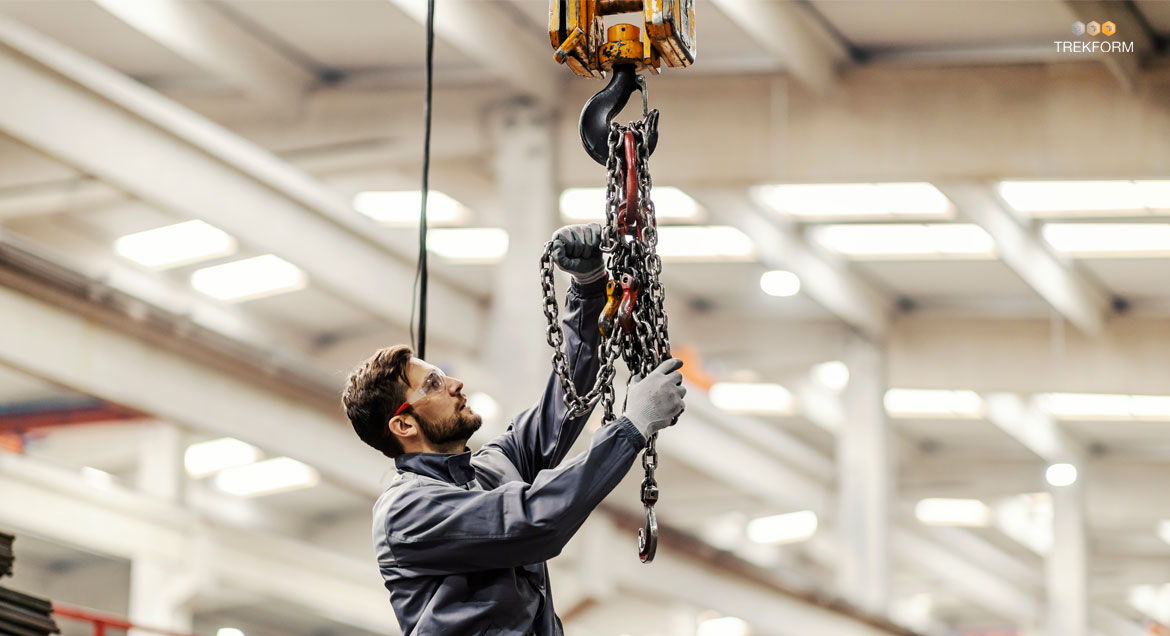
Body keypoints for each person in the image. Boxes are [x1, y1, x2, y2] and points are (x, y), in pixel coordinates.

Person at [342, 223, 687, 636]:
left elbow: (567, 401)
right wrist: (631, 427)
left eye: (444, 375)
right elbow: (534, 521)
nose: (455, 384)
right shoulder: (406, 513)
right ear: (402, 423)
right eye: (433, 384)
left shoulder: (491, 472)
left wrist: (588, 288)